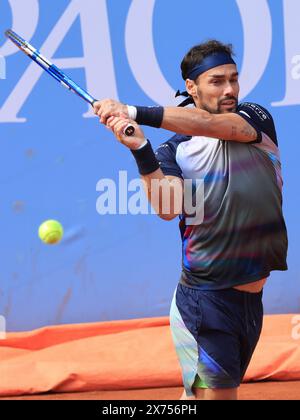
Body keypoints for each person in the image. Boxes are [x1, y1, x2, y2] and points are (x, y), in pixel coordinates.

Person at [93, 40, 288, 400]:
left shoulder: (254, 119)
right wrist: (141, 150)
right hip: (205, 300)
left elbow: (212, 125)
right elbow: (168, 207)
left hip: (251, 301)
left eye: (233, 79)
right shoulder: (174, 151)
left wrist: (134, 111)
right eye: (216, 81)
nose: (229, 89)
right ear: (191, 87)